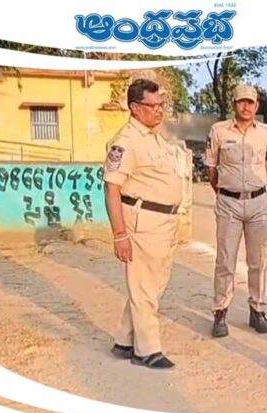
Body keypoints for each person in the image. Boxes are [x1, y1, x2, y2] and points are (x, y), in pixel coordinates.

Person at [104, 79, 188, 369]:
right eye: (152, 106)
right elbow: (112, 189)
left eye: (161, 105)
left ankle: (125, 340)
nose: (159, 111)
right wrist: (120, 235)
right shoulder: (126, 141)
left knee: (150, 284)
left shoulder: (153, 137)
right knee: (145, 288)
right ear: (135, 108)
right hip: (143, 221)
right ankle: (147, 350)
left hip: (163, 221)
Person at [205, 84, 267, 338]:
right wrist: (229, 190)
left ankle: (257, 310)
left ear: (257, 106)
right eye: (241, 102)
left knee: (259, 260)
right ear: (234, 104)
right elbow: (211, 169)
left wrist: (251, 189)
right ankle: (220, 311)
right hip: (229, 203)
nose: (246, 107)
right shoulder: (218, 131)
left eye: (250, 102)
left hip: (258, 203)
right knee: (225, 260)